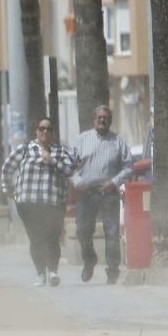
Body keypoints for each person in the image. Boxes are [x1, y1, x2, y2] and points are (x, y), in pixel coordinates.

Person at [2, 118, 76, 287]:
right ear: (36, 131)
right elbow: (7, 168)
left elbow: (70, 170)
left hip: (53, 203)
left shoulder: (61, 151)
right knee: (36, 239)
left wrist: (52, 161)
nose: (45, 132)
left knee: (52, 237)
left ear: (53, 133)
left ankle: (53, 271)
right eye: (41, 128)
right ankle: (40, 273)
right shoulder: (25, 149)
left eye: (48, 129)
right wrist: (8, 189)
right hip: (29, 203)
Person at [70, 105, 135, 285]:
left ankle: (113, 271)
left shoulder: (118, 142)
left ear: (110, 121)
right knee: (83, 231)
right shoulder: (82, 140)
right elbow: (68, 165)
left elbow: (129, 167)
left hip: (109, 192)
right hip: (86, 192)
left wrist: (114, 182)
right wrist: (77, 181)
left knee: (112, 233)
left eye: (106, 118)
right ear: (94, 120)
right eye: (99, 117)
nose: (102, 120)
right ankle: (89, 259)